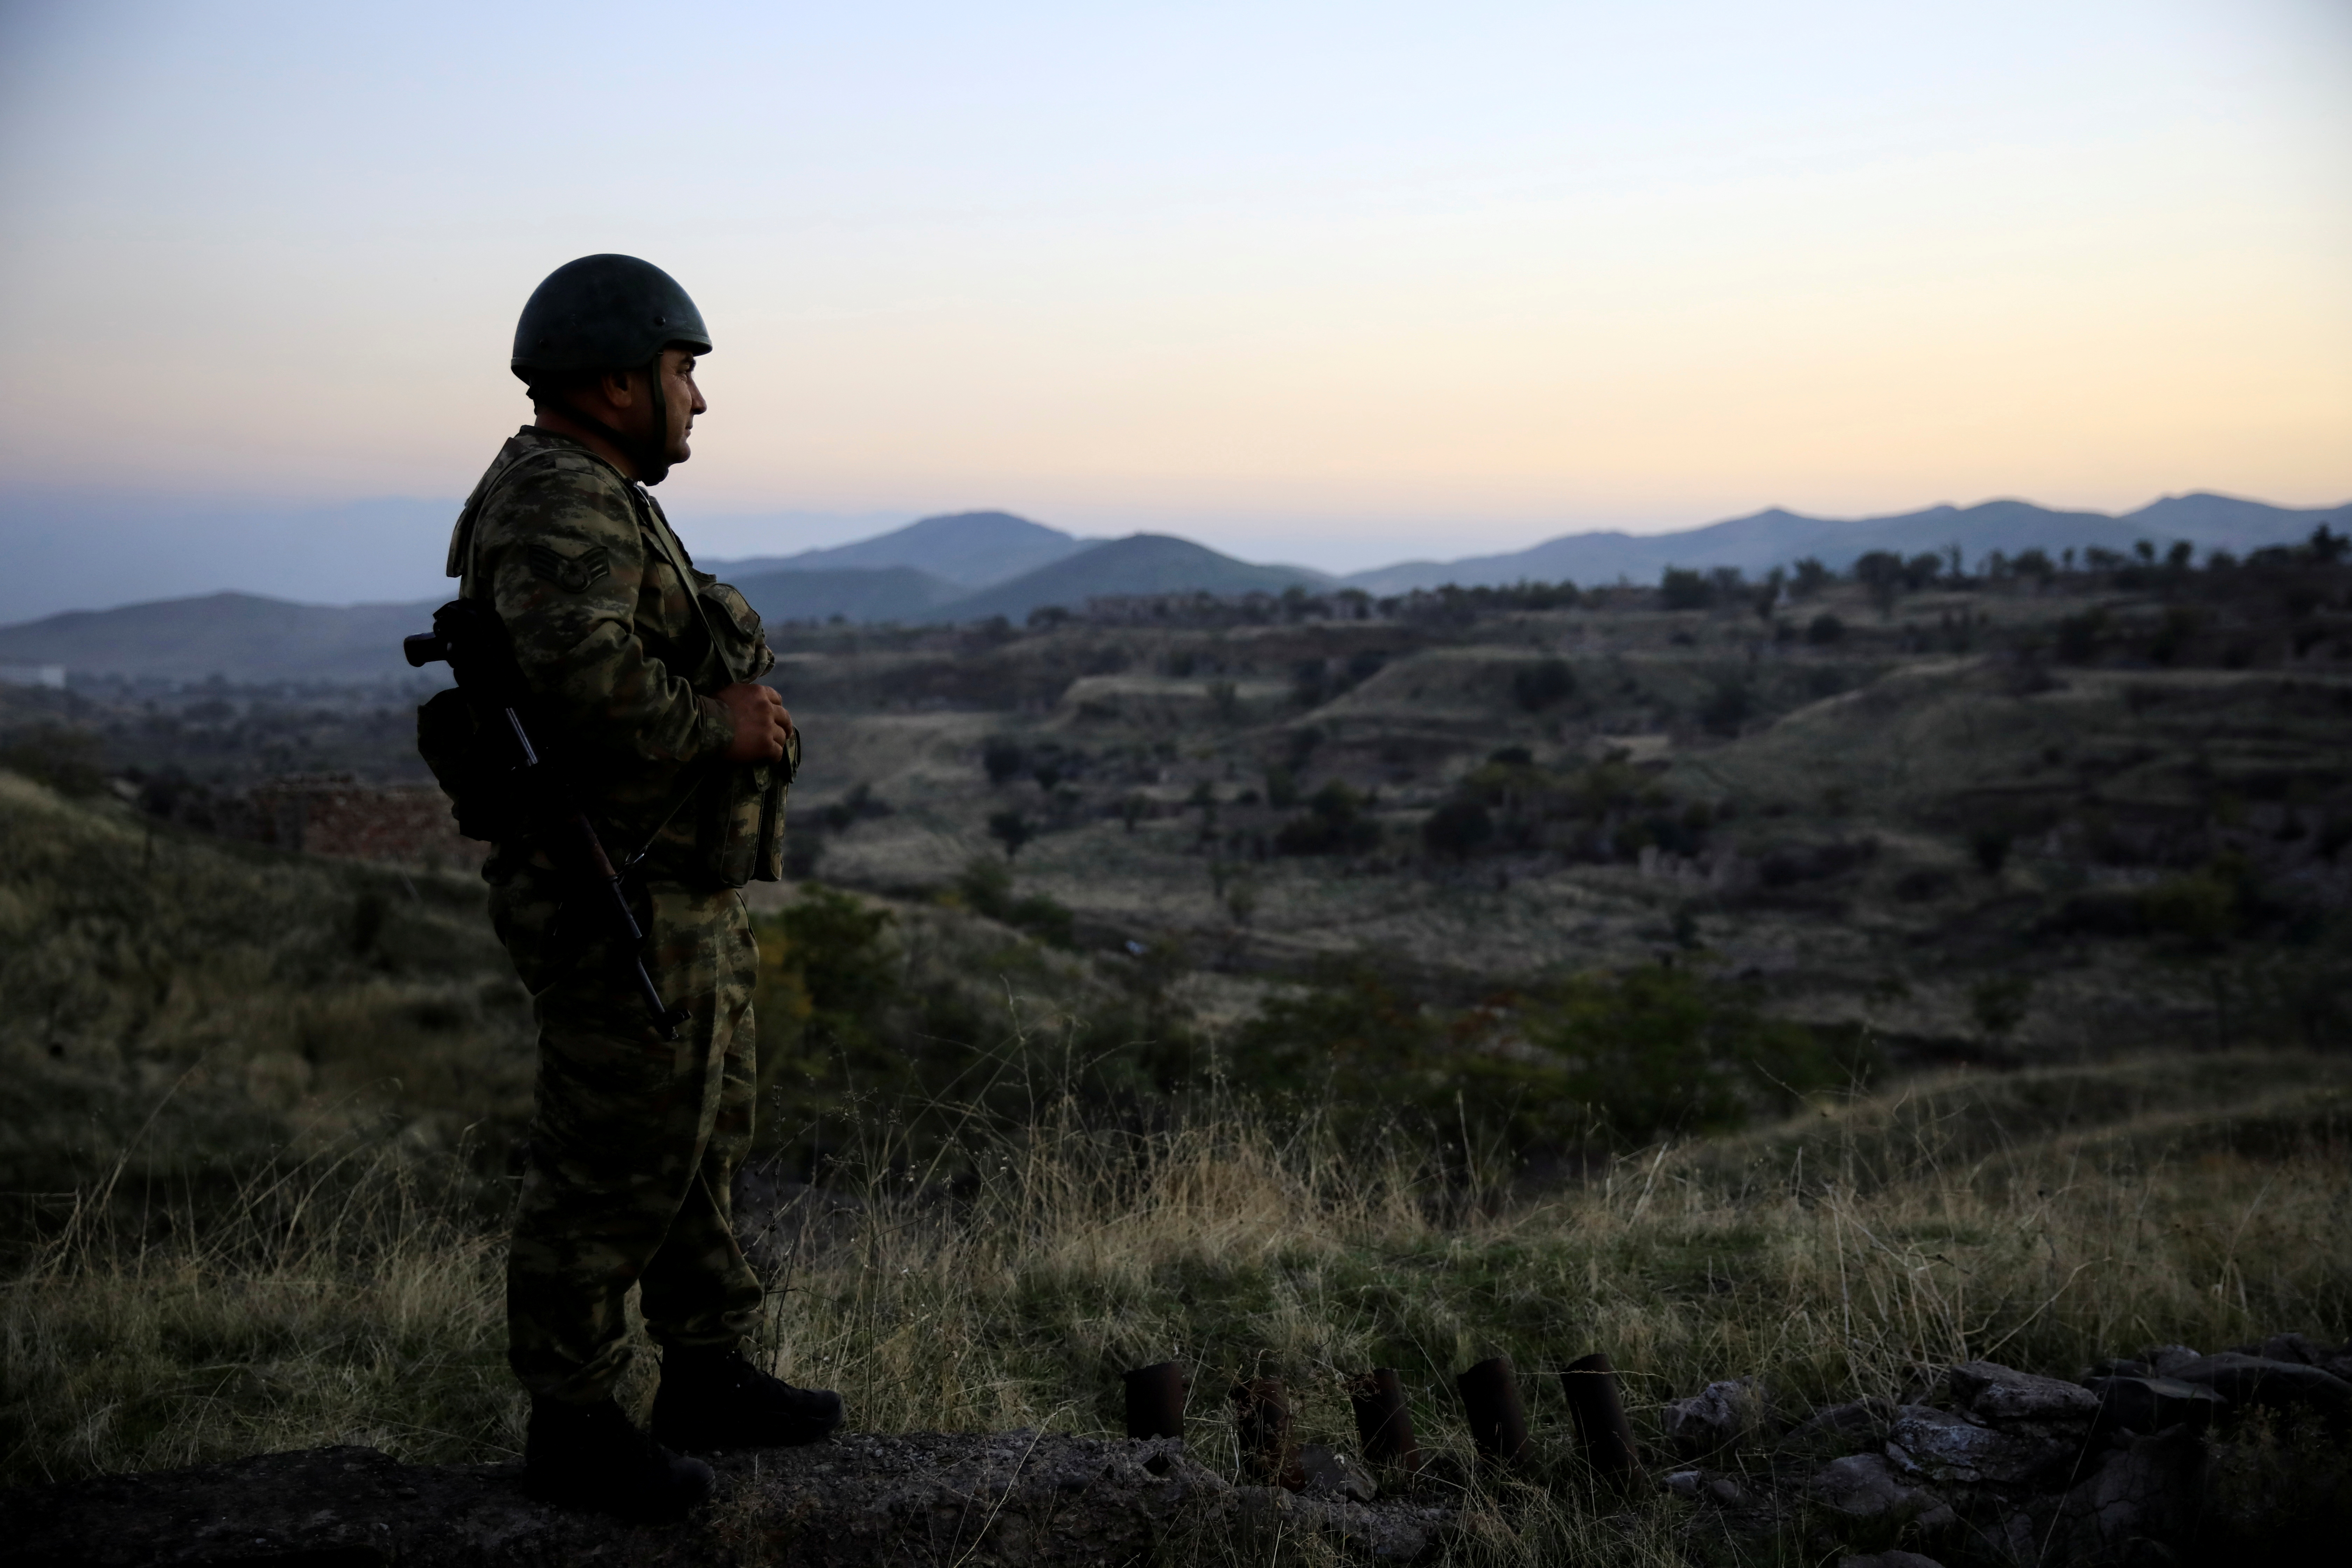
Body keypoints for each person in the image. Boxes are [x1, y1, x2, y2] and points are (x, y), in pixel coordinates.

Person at [442, 253, 841, 1520]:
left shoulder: (604, 493)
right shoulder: (558, 498)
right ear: (615, 380)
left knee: (696, 1145)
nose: (697, 402)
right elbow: (588, 685)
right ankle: (573, 1424)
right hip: (616, 892)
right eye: (683, 373)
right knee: (610, 1164)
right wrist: (719, 726)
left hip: (678, 891)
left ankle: (708, 1375)